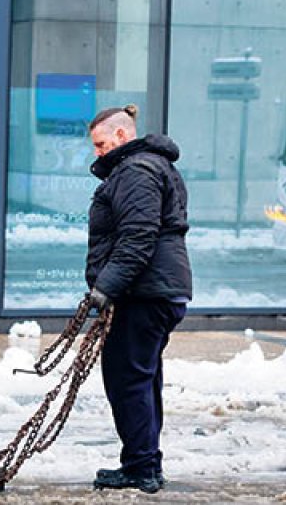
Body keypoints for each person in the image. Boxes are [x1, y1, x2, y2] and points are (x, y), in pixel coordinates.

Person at [84, 104, 191, 494]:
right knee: (142, 379)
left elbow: (138, 236)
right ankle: (145, 463)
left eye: (100, 144)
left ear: (121, 137)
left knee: (128, 379)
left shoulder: (136, 171)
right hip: (152, 289)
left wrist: (105, 288)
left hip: (142, 293)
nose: (96, 153)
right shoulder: (148, 168)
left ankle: (141, 468)